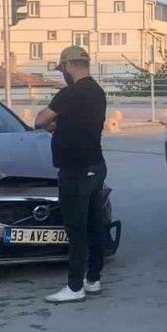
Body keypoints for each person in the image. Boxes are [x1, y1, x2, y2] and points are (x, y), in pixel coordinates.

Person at [36, 46, 109, 304]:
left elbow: (39, 120)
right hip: (95, 165)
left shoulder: (69, 94)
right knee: (94, 224)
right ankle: (93, 279)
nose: (63, 75)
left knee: (76, 229)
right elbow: (80, 123)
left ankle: (75, 286)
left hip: (75, 171)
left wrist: (53, 124)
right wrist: (61, 125)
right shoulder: (98, 92)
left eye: (62, 70)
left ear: (68, 66)